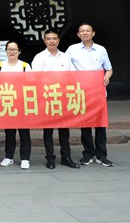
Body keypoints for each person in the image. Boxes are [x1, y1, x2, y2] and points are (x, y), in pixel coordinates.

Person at [31, 29, 81, 170]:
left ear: (58, 40)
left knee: (64, 130)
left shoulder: (65, 57)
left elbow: (73, 76)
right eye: (49, 38)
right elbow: (36, 78)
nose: (51, 41)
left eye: (54, 38)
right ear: (44, 40)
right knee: (48, 131)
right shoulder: (39, 57)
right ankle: (50, 158)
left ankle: (66, 156)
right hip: (47, 98)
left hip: (63, 97)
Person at [66, 23, 114, 167]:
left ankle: (101, 155)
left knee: (100, 125)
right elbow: (65, 67)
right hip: (81, 92)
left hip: (98, 92)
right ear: (78, 34)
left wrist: (107, 77)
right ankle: (88, 154)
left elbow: (109, 69)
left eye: (88, 31)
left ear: (93, 33)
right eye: (82, 31)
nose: (85, 33)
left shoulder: (101, 49)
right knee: (85, 124)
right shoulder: (72, 49)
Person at [0, 41, 32, 170]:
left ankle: (25, 158)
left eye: (14, 49)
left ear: (19, 51)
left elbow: (31, 84)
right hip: (7, 103)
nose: (12, 52)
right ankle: (9, 156)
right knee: (9, 132)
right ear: (6, 51)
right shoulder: (0, 66)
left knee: (24, 133)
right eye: (9, 49)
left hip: (22, 103)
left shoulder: (25, 66)